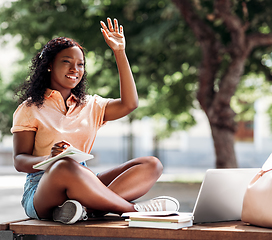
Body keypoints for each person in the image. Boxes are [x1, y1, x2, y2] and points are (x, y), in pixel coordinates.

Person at [11, 18, 179, 224]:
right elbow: (20, 160)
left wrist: (119, 52)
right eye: (66, 62)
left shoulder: (91, 105)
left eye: (80, 64)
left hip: (85, 181)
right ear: (49, 66)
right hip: (42, 188)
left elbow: (130, 103)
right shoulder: (30, 108)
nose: (75, 69)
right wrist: (50, 159)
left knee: (152, 164)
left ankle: (81, 209)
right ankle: (132, 209)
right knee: (64, 165)